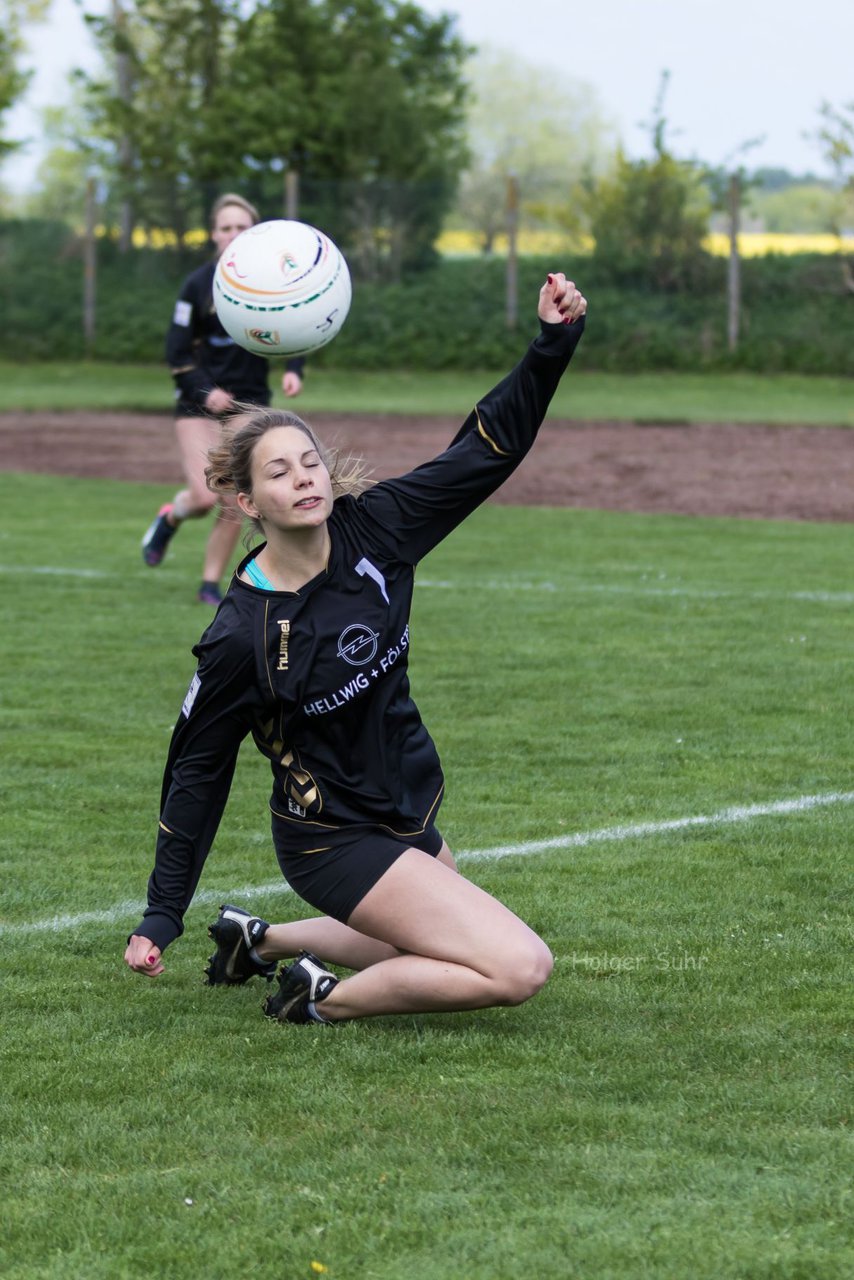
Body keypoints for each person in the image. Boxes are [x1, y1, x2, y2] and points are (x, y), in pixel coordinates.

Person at [124, 273, 587, 1026]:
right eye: (278, 472)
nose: (303, 478)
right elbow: (197, 770)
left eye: (308, 461)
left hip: (401, 800)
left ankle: (260, 942)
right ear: (245, 501)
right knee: (518, 965)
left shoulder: (377, 529)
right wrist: (161, 913)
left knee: (429, 946)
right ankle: (319, 1002)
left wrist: (551, 346)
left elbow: (485, 450)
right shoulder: (242, 636)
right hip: (328, 838)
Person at [141, 192, 306, 606]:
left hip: (249, 405)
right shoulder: (196, 286)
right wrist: (206, 390)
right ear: (214, 234)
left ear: (254, 232)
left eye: (242, 227)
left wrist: (293, 369)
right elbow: (177, 353)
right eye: (226, 227)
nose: (234, 234)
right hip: (197, 404)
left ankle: (209, 585)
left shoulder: (270, 281)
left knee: (236, 497)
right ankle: (172, 515)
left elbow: (298, 322)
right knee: (202, 495)